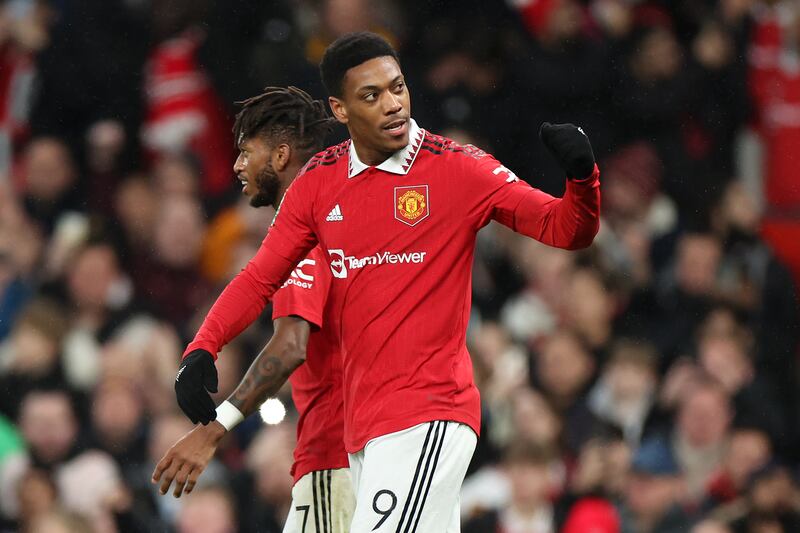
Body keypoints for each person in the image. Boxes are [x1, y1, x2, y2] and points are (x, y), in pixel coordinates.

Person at [172, 31, 600, 532]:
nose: (393, 105)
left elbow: (564, 228)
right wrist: (203, 348)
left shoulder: (459, 169)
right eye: (371, 96)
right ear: (340, 109)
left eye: (397, 88)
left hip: (430, 412)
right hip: (363, 433)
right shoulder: (317, 184)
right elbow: (260, 276)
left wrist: (581, 179)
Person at [152, 86, 356, 532]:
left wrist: (212, 432)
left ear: (281, 156)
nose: (237, 165)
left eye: (246, 151)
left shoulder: (311, 232)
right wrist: (203, 346)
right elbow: (253, 284)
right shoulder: (339, 217)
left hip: (336, 452)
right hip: (353, 444)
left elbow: (289, 347)